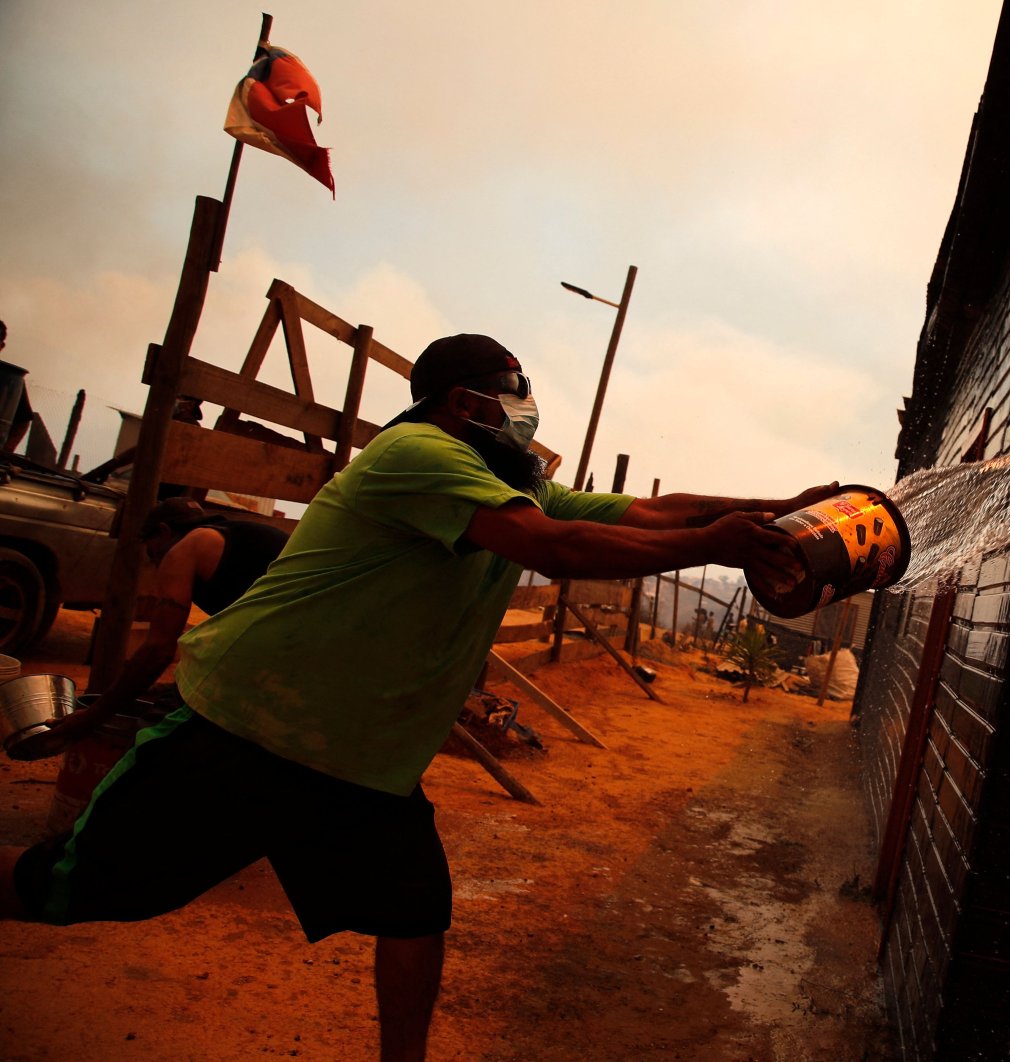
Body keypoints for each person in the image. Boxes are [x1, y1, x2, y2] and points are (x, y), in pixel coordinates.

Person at [1, 333, 833, 1061]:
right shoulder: (417, 459)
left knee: (413, 913)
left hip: (362, 760)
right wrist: (708, 544)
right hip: (250, 729)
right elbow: (552, 546)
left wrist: (777, 511)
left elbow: (652, 509)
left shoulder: (511, 479)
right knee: (78, 889)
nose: (527, 416)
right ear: (467, 403)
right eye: (515, 401)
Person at [50, 497, 291, 739]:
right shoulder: (238, 538)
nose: (155, 562)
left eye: (152, 552)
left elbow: (158, 650)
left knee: (157, 734)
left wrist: (93, 716)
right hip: (298, 653)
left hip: (276, 658)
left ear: (164, 532)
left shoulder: (186, 548)